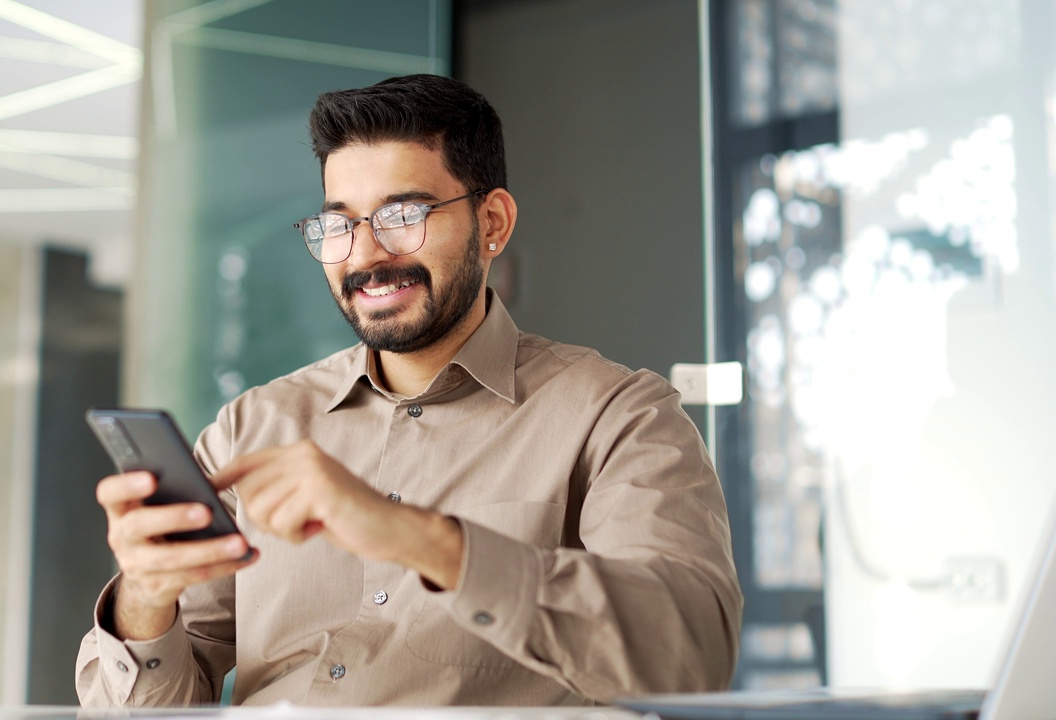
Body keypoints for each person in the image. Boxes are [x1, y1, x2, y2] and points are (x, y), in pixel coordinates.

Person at [76, 74, 742, 707]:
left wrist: (417, 538)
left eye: (402, 214)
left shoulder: (618, 416)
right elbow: (144, 709)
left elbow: (689, 654)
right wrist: (144, 596)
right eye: (339, 225)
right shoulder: (253, 428)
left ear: (493, 224)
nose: (365, 255)